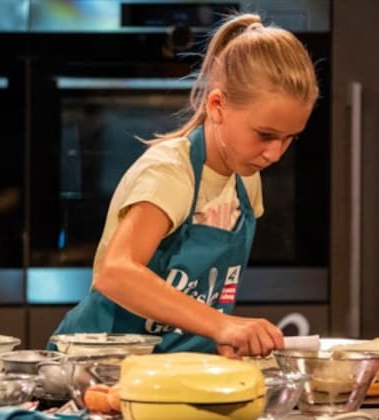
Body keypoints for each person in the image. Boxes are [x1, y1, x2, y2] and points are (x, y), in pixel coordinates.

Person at [51, 13, 318, 359]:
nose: (275, 154)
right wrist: (222, 325)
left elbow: (199, 303)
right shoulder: (170, 172)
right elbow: (115, 272)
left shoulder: (246, 180)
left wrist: (218, 339)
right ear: (217, 105)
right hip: (99, 368)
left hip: (170, 371)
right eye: (265, 135)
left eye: (289, 139)